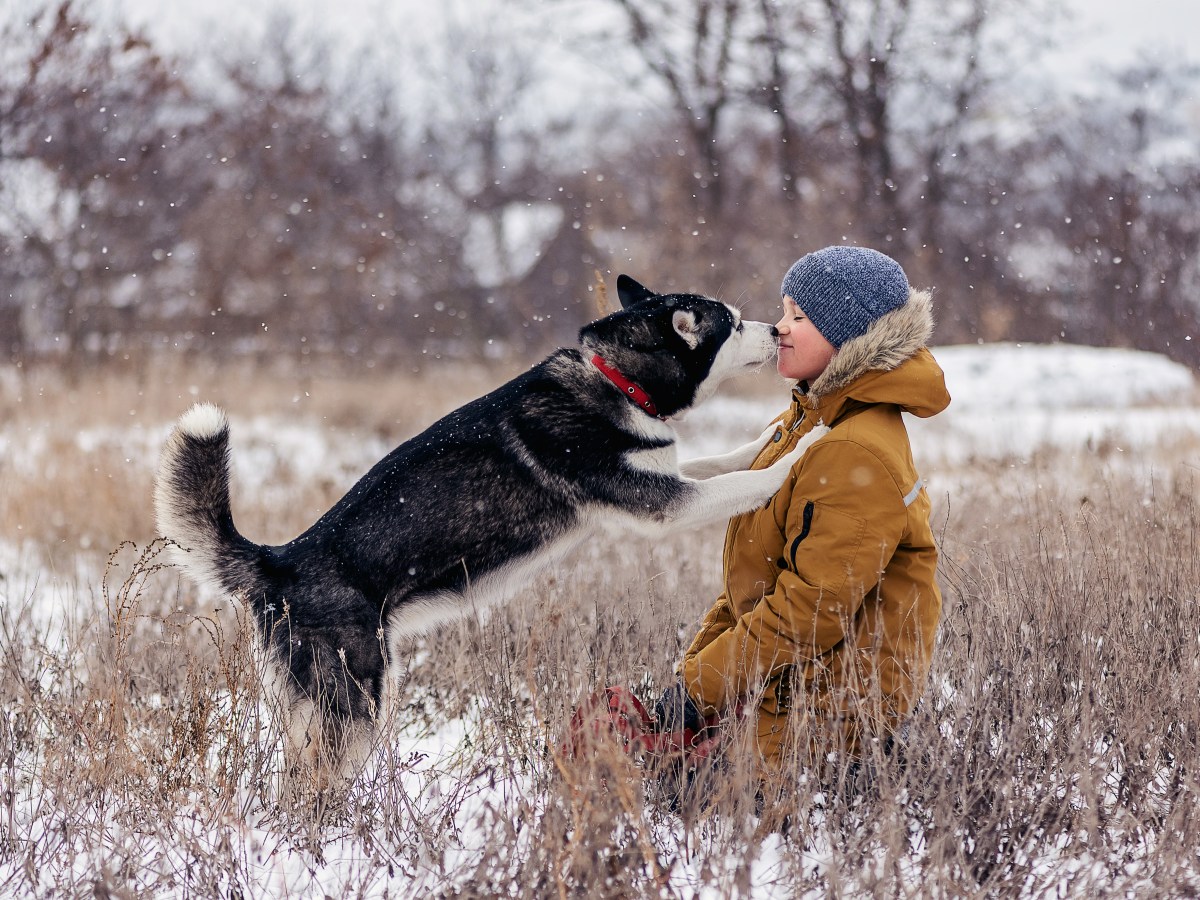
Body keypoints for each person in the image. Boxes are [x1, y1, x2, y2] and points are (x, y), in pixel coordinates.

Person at [654, 245, 951, 798]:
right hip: (786, 688)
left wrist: (701, 691)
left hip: (829, 718)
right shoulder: (805, 425)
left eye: (799, 316)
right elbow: (757, 582)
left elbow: (812, 609)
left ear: (848, 335)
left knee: (667, 802)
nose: (780, 328)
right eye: (782, 310)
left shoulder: (852, 450)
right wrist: (693, 682)